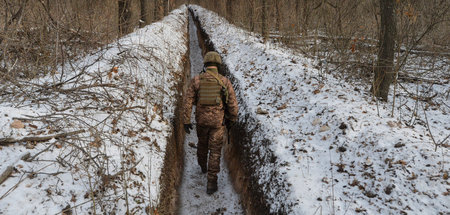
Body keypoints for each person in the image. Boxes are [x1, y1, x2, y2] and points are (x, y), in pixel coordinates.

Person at [183, 51, 239, 195]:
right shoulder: (224, 82)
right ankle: (211, 182)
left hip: (201, 121)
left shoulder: (196, 80)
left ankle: (202, 166)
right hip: (217, 123)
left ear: (205, 64)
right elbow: (232, 105)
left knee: (202, 144)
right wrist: (231, 120)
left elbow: (188, 101)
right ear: (218, 65)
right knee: (215, 151)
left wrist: (186, 120)